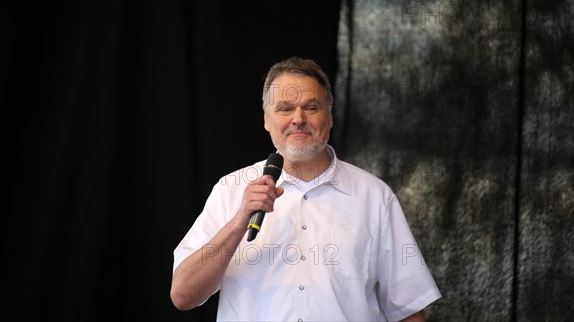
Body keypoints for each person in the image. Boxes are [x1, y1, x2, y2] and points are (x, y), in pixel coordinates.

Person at [170, 57, 441, 321]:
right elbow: (183, 295)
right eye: (285, 109)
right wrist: (240, 220)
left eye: (311, 108)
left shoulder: (374, 197)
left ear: (330, 117)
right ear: (267, 120)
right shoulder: (230, 190)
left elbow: (407, 309)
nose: (298, 119)